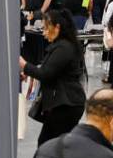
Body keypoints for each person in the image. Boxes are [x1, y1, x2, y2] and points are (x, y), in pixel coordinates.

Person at [19, 8, 87, 145]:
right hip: (63, 103)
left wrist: (24, 65)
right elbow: (51, 69)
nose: (44, 33)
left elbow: (46, 74)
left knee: (50, 144)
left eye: (46, 28)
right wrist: (29, 72)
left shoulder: (63, 48)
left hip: (66, 104)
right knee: (50, 144)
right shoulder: (61, 46)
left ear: (57, 27)